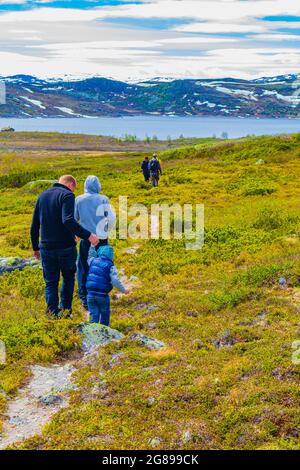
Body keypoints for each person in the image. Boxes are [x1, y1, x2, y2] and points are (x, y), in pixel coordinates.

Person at [30, 175, 99, 318]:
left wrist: (35, 247)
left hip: (46, 248)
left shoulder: (42, 196)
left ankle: (52, 314)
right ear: (70, 185)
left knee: (50, 282)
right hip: (65, 248)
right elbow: (68, 220)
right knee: (68, 279)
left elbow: (34, 225)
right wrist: (89, 235)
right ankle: (66, 313)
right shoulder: (68, 195)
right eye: (74, 188)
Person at [75, 175, 116, 310]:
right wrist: (105, 230)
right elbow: (111, 218)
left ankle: (84, 297)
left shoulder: (78, 200)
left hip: (86, 238)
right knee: (103, 266)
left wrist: (77, 234)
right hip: (102, 238)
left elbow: (74, 219)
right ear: (98, 185)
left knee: (83, 267)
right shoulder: (103, 199)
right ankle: (102, 294)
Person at [86, 245, 128, 325]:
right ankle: (104, 332)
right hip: (102, 296)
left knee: (93, 314)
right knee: (104, 314)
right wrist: (124, 290)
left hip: (90, 294)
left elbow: (90, 255)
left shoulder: (93, 261)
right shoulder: (111, 266)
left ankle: (92, 331)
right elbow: (115, 280)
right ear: (111, 256)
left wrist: (92, 246)